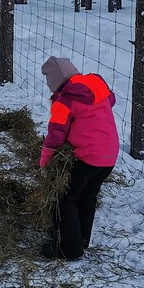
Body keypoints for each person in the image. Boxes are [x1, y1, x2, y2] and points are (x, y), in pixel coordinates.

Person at [39, 56, 119, 260]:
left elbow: (56, 135)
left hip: (87, 158)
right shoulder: (97, 86)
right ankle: (81, 240)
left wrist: (45, 161)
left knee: (65, 199)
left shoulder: (64, 101)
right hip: (108, 156)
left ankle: (69, 249)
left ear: (54, 82)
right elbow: (111, 100)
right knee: (87, 197)